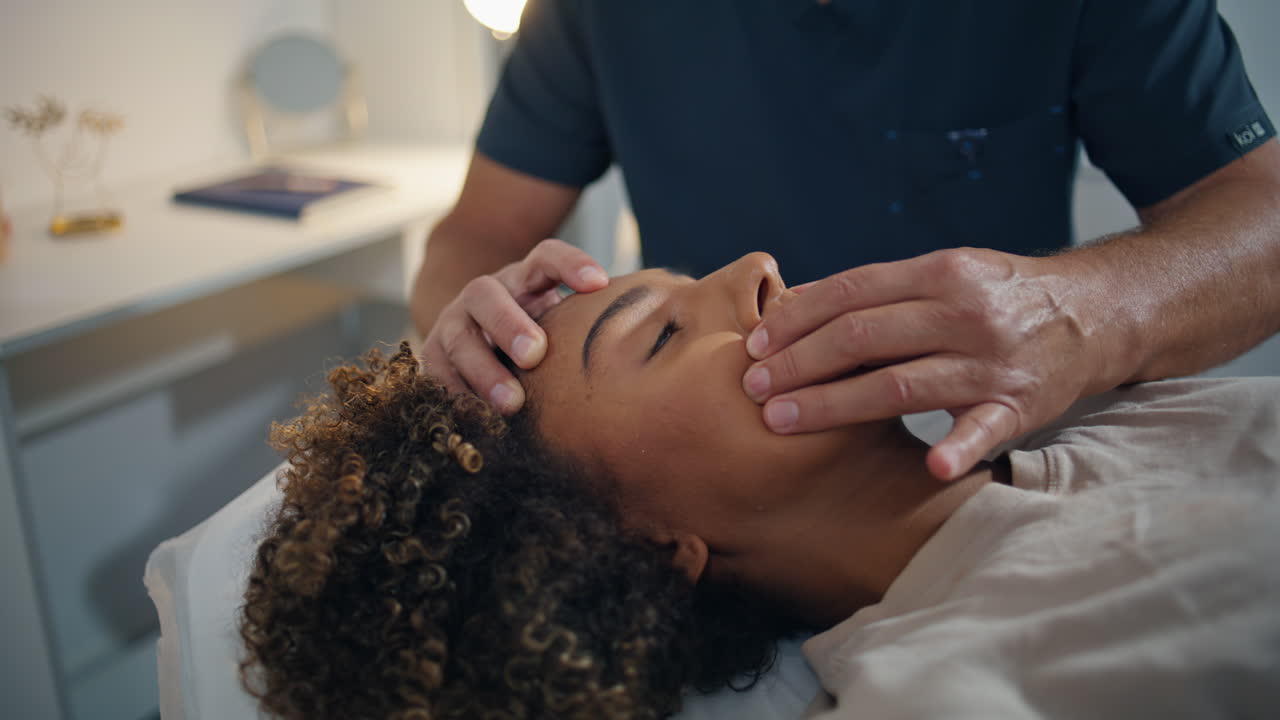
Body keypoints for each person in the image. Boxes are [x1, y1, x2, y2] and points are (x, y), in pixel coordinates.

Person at [243, 253, 1280, 719]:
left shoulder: (1131, 406)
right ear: (641, 548)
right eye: (658, 333)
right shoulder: (953, 692)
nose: (755, 269)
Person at [411, 0, 1280, 485]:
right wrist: (464, 333)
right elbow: (481, 230)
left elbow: (1262, 215)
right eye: (658, 327)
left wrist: (1082, 312)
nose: (761, 273)